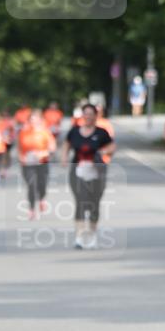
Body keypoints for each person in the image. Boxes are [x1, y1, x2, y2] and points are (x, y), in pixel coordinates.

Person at [61, 103, 115, 249]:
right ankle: (79, 237)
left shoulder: (102, 132)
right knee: (80, 201)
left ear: (96, 116)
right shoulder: (75, 131)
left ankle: (92, 235)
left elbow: (112, 147)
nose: (88, 116)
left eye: (91, 114)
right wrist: (64, 157)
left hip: (97, 172)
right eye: (86, 113)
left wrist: (103, 152)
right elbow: (66, 144)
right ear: (82, 115)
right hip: (77, 171)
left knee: (94, 203)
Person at [18, 109, 56, 218]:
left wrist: (43, 153)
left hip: (42, 162)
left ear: (40, 120)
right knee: (31, 185)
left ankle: (41, 198)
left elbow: (52, 147)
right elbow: (19, 147)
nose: (33, 122)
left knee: (42, 185)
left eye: (35, 119)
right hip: (28, 164)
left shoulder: (45, 132)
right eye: (31, 119)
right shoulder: (23, 132)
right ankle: (31, 209)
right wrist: (22, 158)